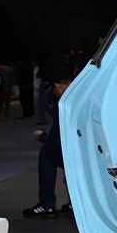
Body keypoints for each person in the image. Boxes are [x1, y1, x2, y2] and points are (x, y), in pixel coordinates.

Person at [22, 66, 73, 218]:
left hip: (75, 152)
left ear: (58, 86)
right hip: (91, 151)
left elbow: (57, 140)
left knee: (47, 154)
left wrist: (41, 136)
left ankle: (47, 204)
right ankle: (75, 203)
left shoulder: (63, 104)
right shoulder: (82, 99)